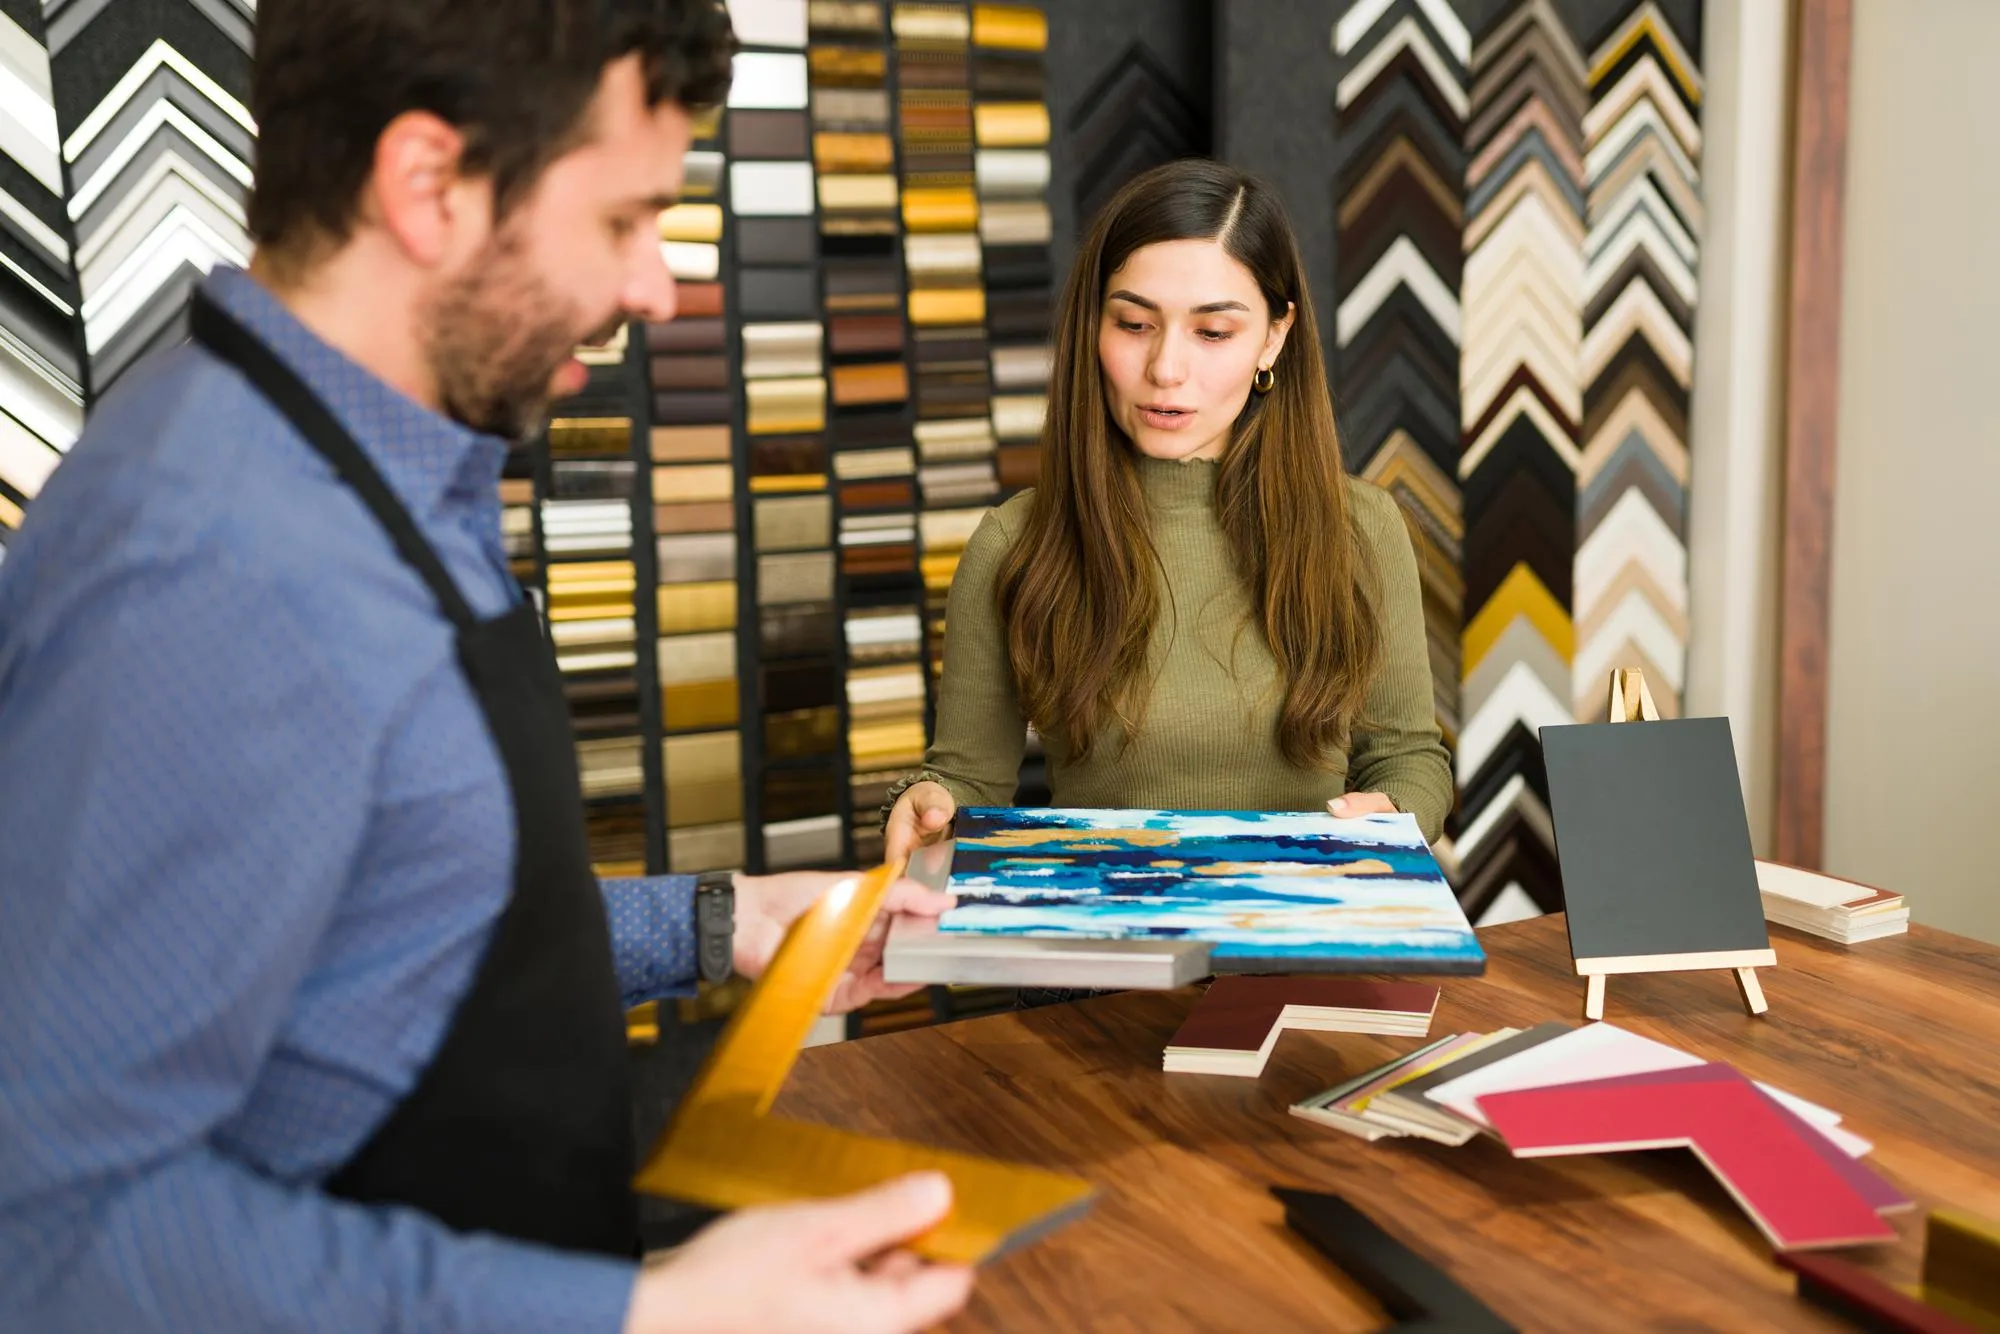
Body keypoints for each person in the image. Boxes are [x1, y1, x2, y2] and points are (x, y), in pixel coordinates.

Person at [0, 3, 973, 1332]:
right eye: (625, 221)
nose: (660, 288)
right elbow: (52, 1231)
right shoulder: (214, 564)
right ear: (429, 187)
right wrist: (657, 1316)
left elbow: (390, 933)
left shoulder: (397, 470)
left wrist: (721, 918)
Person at [884, 158, 1452, 888]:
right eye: (1133, 323)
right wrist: (926, 804)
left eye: (1213, 332)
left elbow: (1409, 756)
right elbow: (965, 784)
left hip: (1306, 943)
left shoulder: (1362, 528)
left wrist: (1393, 812)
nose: (1166, 369)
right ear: (1094, 324)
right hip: (1101, 957)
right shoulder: (1015, 543)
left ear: (1273, 338)